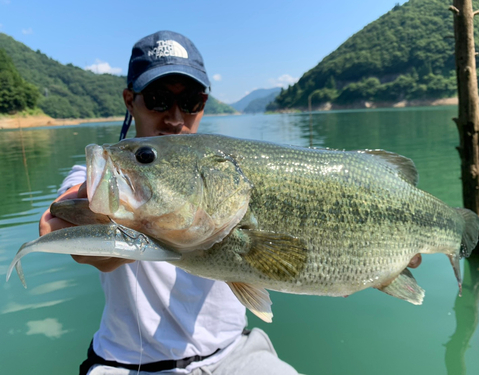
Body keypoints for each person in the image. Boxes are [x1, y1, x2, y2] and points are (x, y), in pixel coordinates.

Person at [39, 31, 300, 375]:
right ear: (130, 100)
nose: (176, 118)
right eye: (159, 99)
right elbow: (54, 225)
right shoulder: (108, 173)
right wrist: (107, 217)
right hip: (128, 365)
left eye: (191, 101)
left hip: (235, 354)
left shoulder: (233, 172)